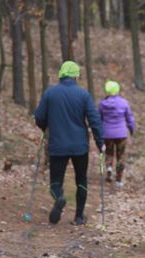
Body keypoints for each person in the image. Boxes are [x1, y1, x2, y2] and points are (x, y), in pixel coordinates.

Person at [34, 61, 103, 225]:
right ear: (75, 76)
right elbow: (95, 120)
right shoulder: (83, 94)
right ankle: (79, 217)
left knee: (55, 181)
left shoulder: (50, 93)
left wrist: (46, 128)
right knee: (81, 180)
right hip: (80, 146)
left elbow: (39, 117)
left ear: (61, 74)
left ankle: (59, 198)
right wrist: (100, 143)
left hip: (58, 144)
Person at [98, 80, 136, 188]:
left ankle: (109, 168)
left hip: (107, 134)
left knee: (109, 153)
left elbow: (99, 119)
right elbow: (129, 118)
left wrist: (99, 131)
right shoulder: (124, 103)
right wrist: (132, 129)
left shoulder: (102, 104)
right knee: (121, 156)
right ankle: (119, 180)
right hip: (121, 134)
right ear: (117, 90)